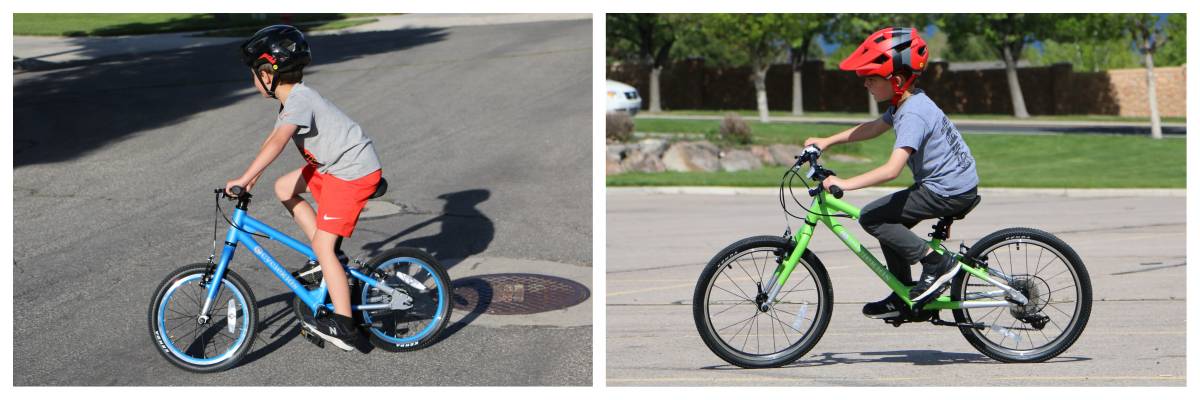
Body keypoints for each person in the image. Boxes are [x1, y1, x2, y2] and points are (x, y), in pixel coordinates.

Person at [803, 27, 980, 318]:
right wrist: (827, 141)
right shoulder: (906, 102)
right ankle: (904, 295)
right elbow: (873, 127)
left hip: (947, 191)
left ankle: (936, 262)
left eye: (871, 79)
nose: (866, 85)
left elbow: (892, 170)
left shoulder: (912, 113)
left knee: (874, 217)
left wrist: (845, 183)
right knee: (888, 224)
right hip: (951, 186)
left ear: (896, 80)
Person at [225, 25, 383, 350]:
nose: (253, 80)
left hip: (351, 172)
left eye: (254, 73)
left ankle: (344, 326)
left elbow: (279, 143)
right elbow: (271, 140)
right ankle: (327, 259)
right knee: (284, 188)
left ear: (268, 74)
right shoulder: (290, 102)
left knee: (326, 249)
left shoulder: (300, 100)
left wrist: (243, 179)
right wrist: (250, 179)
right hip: (334, 167)